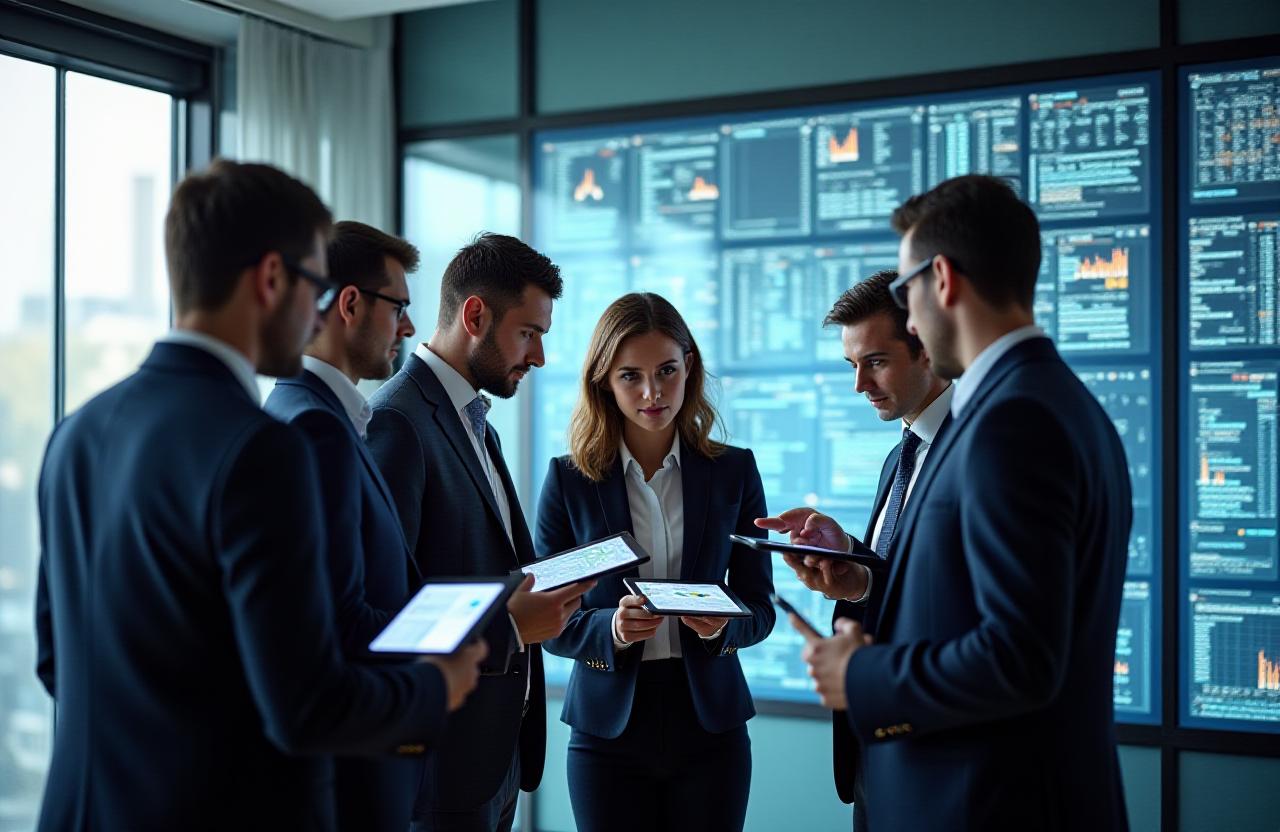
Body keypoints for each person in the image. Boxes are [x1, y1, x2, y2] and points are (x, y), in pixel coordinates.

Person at [33, 160, 485, 831]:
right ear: (272, 279)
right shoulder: (263, 449)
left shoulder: (76, 431)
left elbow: (56, 664)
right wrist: (434, 688)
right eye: (313, 285)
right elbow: (305, 707)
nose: (315, 314)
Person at [787, 174, 1133, 830]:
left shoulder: (1013, 420)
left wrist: (861, 677)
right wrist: (863, 576)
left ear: (941, 279)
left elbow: (1020, 657)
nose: (910, 315)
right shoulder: (1051, 401)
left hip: (989, 803)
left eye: (905, 291)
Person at [366, 232, 593, 832]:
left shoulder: (476, 423)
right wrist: (512, 625)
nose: (539, 356)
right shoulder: (398, 421)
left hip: (493, 759)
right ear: (475, 315)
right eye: (529, 333)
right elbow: (387, 608)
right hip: (439, 767)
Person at [536, 292, 775, 832]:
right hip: (606, 734)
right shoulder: (568, 481)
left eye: (667, 370)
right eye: (630, 376)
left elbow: (760, 607)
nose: (652, 392)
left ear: (689, 366)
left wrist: (722, 629)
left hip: (711, 727)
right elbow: (548, 621)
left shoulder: (733, 472)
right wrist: (612, 629)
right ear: (604, 381)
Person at [756, 270, 951, 830]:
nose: (859, 385)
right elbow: (909, 576)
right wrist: (852, 565)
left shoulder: (972, 449)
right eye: (852, 366)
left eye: (876, 362)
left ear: (925, 346)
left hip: (933, 749)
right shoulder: (902, 455)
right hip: (877, 748)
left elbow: (956, 600)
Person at [263, 220, 425, 832]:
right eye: (399, 308)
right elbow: (343, 618)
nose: (407, 328)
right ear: (351, 304)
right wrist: (481, 630)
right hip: (354, 770)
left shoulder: (322, 415)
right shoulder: (315, 427)